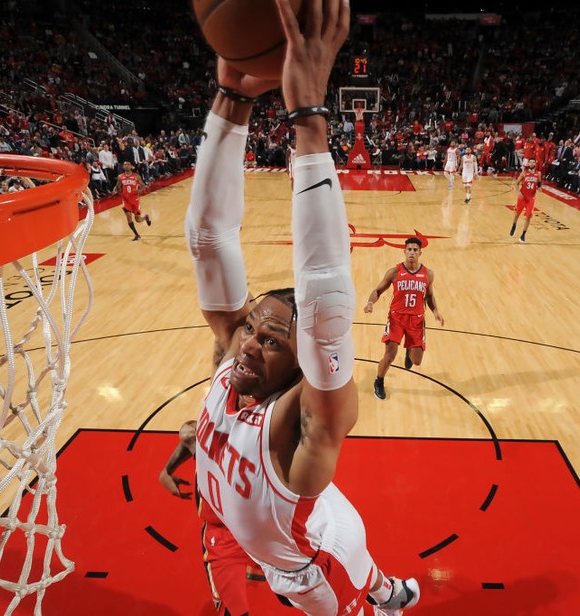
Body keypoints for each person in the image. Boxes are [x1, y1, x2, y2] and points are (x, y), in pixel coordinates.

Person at [185, 1, 419, 614]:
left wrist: (309, 121)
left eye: (272, 341)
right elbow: (210, 240)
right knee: (345, 538)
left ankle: (380, 595)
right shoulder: (233, 362)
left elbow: (323, 289)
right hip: (286, 524)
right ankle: (387, 586)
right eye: (252, 327)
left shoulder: (305, 425)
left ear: (301, 370)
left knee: (353, 572)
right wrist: (229, 100)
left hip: (315, 570)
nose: (249, 341)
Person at [160, 421, 260, 616]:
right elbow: (189, 433)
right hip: (226, 535)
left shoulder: (252, 440)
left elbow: (188, 433)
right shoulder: (209, 441)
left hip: (254, 528)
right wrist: (166, 471)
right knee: (234, 609)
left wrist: (167, 471)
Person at [364, 237, 444, 401]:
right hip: (396, 319)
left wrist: (436, 311)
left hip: (416, 321)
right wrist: (370, 302)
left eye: (415, 250)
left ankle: (409, 351)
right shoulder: (394, 272)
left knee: (417, 361)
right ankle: (379, 381)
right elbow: (378, 290)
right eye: (409, 249)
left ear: (420, 252)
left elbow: (429, 296)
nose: (412, 253)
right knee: (390, 356)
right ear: (404, 251)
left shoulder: (428, 274)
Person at [115, 160, 152, 241]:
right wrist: (116, 190)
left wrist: (139, 191)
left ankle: (145, 218)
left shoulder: (136, 176)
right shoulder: (120, 177)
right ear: (123, 167)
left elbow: (143, 185)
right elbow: (118, 186)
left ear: (131, 166)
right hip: (125, 200)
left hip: (135, 199)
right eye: (125, 164)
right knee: (128, 217)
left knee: (137, 219)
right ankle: (137, 235)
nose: (127, 166)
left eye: (128, 164)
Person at [509, 157, 542, 243]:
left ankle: (523, 234)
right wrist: (518, 192)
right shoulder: (524, 173)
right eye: (530, 162)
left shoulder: (538, 173)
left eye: (533, 162)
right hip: (523, 196)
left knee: (528, 216)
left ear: (535, 164)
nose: (531, 164)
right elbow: (516, 184)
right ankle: (514, 225)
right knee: (517, 213)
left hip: (531, 197)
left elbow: (539, 183)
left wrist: (539, 188)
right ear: (528, 164)